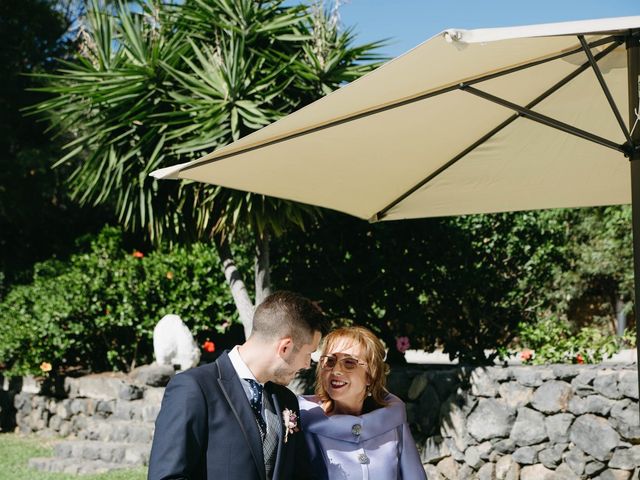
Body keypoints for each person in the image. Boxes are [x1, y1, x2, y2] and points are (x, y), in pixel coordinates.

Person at [148, 291, 325, 480]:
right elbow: (167, 476)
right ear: (285, 347)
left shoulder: (286, 400)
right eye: (308, 354)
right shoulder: (194, 388)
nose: (307, 365)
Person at [298, 326, 426, 480]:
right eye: (330, 361)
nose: (336, 370)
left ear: (370, 376)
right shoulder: (303, 422)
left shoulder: (394, 421)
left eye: (349, 362)